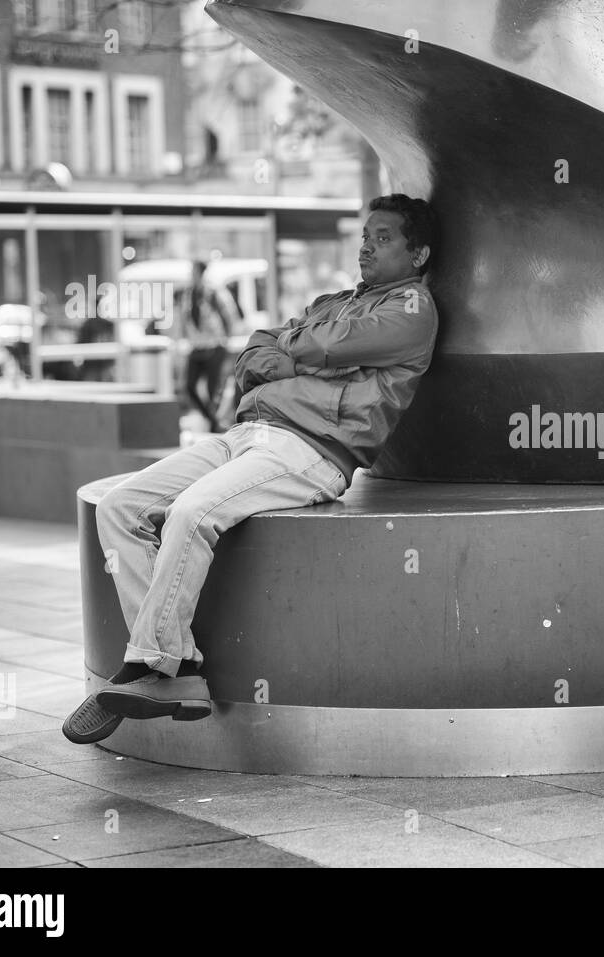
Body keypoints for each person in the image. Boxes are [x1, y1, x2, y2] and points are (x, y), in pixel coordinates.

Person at [62, 194, 439, 744]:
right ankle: (178, 668)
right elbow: (254, 350)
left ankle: (151, 667)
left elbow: (335, 345)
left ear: (419, 254)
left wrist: (294, 354)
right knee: (122, 507)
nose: (366, 248)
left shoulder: (411, 310)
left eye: (384, 239)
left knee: (191, 513)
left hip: (311, 450)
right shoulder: (334, 300)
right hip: (244, 434)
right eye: (364, 236)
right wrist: (298, 353)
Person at [182, 261, 240, 432]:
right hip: (196, 346)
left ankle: (214, 423)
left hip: (215, 345)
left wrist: (227, 339)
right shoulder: (188, 294)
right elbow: (185, 319)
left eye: (193, 271)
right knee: (189, 386)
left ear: (201, 273)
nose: (191, 275)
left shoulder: (214, 293)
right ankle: (212, 419)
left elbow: (230, 315)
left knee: (213, 389)